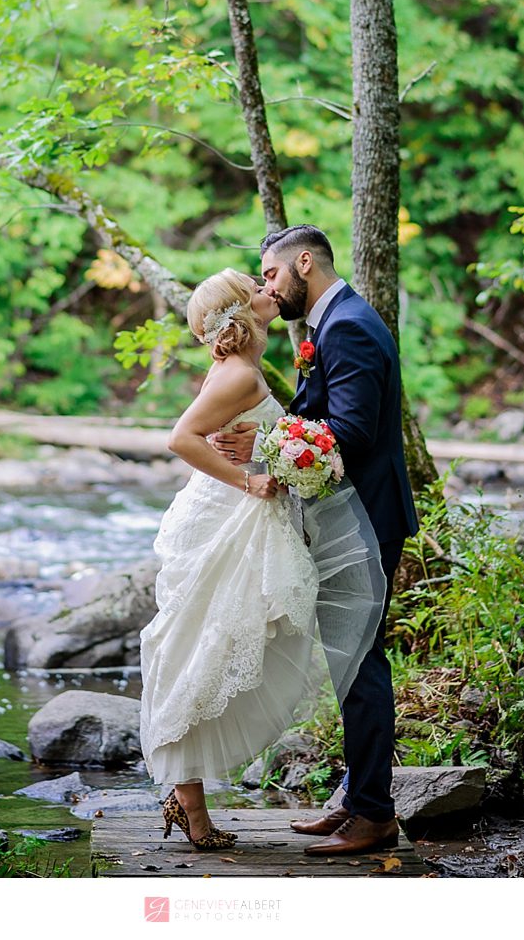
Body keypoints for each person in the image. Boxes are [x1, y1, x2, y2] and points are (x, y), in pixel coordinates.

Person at [213, 224, 419, 857]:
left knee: (360, 665)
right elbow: (326, 418)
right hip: (350, 518)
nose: (267, 288)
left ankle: (373, 816)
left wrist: (265, 445)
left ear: (305, 262)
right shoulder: (334, 322)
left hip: (364, 521)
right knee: (349, 662)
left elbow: (351, 433)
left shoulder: (348, 325)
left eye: (271, 274)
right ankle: (357, 802)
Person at [138, 268, 319, 850]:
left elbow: (253, 431)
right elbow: (181, 439)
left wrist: (272, 455)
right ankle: (191, 808)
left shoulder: (239, 369)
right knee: (201, 650)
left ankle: (186, 798)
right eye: (258, 289)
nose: (272, 292)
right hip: (223, 519)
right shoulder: (238, 374)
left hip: (229, 516)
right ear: (241, 312)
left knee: (209, 649)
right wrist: (249, 481)